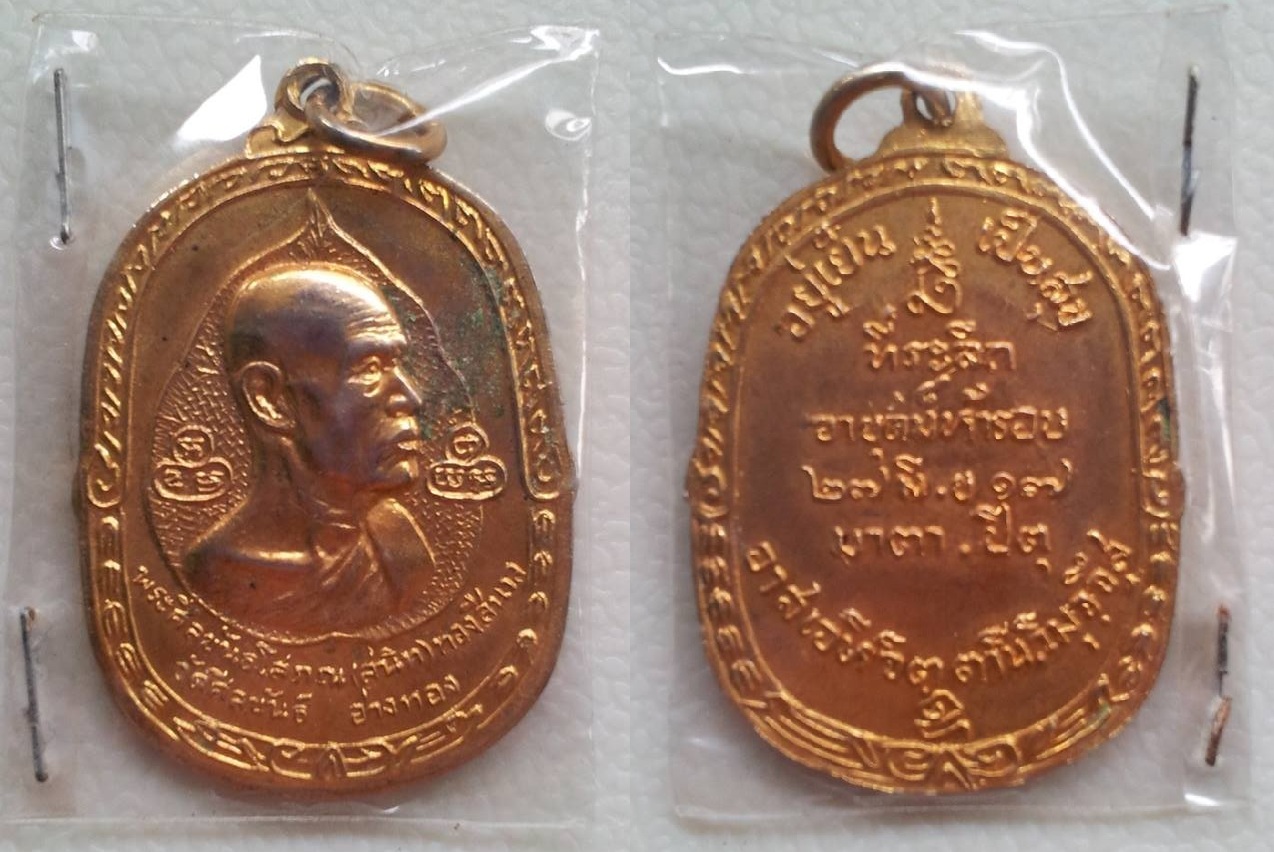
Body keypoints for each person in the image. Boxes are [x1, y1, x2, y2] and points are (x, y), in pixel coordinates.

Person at [184, 264, 436, 634]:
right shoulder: (217, 575)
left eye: (395, 365)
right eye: (369, 368)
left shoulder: (401, 546)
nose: (410, 398)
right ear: (269, 400)